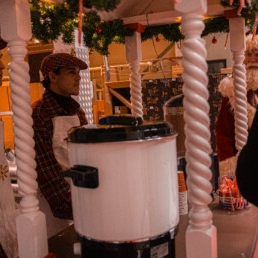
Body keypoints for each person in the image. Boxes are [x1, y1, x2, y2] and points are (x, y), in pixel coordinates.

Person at [32, 53, 88, 224]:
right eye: (71, 72)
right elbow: (45, 168)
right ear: (53, 76)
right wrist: (72, 205)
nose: (78, 78)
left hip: (82, 198)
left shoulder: (77, 111)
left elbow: (88, 156)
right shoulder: (39, 114)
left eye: (78, 73)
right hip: (56, 209)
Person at [216, 35, 258, 176]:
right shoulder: (231, 93)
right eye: (248, 54)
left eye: (257, 54)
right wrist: (232, 168)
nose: (252, 59)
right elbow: (223, 134)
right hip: (245, 168)